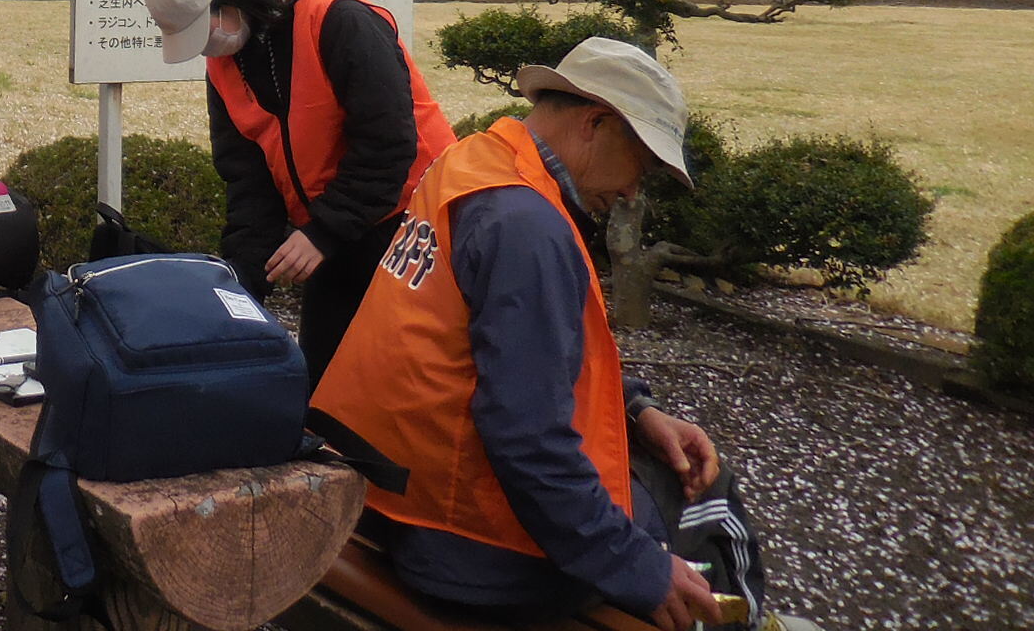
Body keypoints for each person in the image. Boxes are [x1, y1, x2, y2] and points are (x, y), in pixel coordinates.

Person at [311, 38, 807, 631]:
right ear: (596, 122)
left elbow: (491, 350)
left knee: (644, 461)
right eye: (641, 167)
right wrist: (638, 569)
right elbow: (528, 440)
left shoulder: (469, 164)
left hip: (387, 502)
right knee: (705, 493)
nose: (631, 192)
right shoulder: (527, 226)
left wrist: (638, 409)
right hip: (474, 553)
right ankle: (748, 621)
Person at [140, 0, 456, 376]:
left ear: (227, 1)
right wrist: (241, 281)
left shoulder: (339, 19)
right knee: (323, 383)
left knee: (400, 385)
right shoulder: (226, 62)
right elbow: (247, 178)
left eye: (203, 31)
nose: (207, 49)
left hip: (413, 223)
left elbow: (388, 143)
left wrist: (323, 232)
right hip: (334, 231)